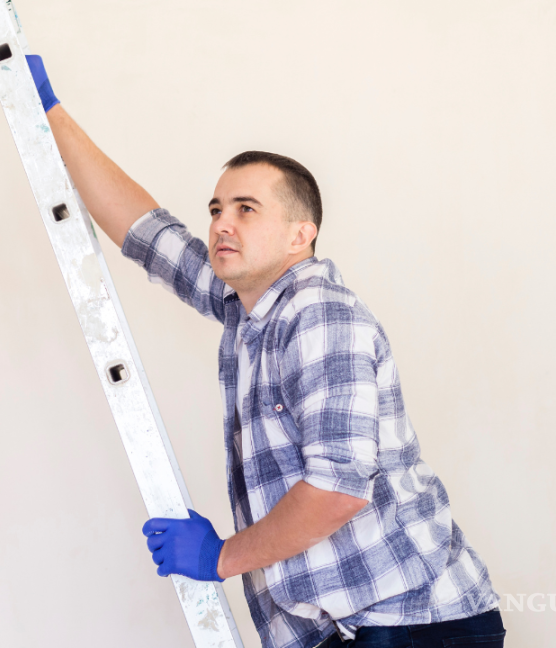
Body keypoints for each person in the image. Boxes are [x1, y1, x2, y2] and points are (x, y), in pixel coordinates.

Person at [25, 55, 506, 648]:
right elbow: (146, 233)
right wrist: (48, 110)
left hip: (405, 625)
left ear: (300, 233)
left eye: (246, 209)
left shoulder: (318, 314)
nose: (222, 223)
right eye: (217, 209)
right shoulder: (248, 309)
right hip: (342, 631)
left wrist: (221, 557)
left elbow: (337, 491)